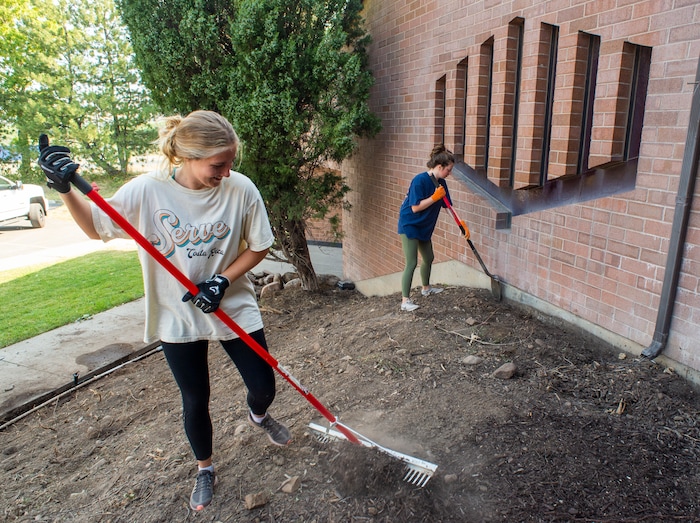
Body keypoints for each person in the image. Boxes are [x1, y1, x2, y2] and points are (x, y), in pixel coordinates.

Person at [37, 110, 291, 512]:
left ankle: (258, 416)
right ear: (187, 157)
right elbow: (94, 227)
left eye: (229, 164)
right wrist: (64, 187)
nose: (226, 173)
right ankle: (205, 468)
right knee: (196, 398)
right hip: (177, 311)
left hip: (232, 304)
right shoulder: (147, 191)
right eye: (217, 165)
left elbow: (258, 244)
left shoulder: (240, 188)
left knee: (264, 385)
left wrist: (221, 280)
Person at [397, 145, 463, 311]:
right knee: (411, 262)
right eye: (448, 170)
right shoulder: (419, 180)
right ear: (439, 167)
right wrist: (434, 197)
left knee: (429, 257)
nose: (450, 173)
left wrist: (461, 224)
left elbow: (448, 206)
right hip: (410, 225)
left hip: (425, 227)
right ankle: (405, 301)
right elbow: (415, 207)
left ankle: (426, 289)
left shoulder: (442, 183)